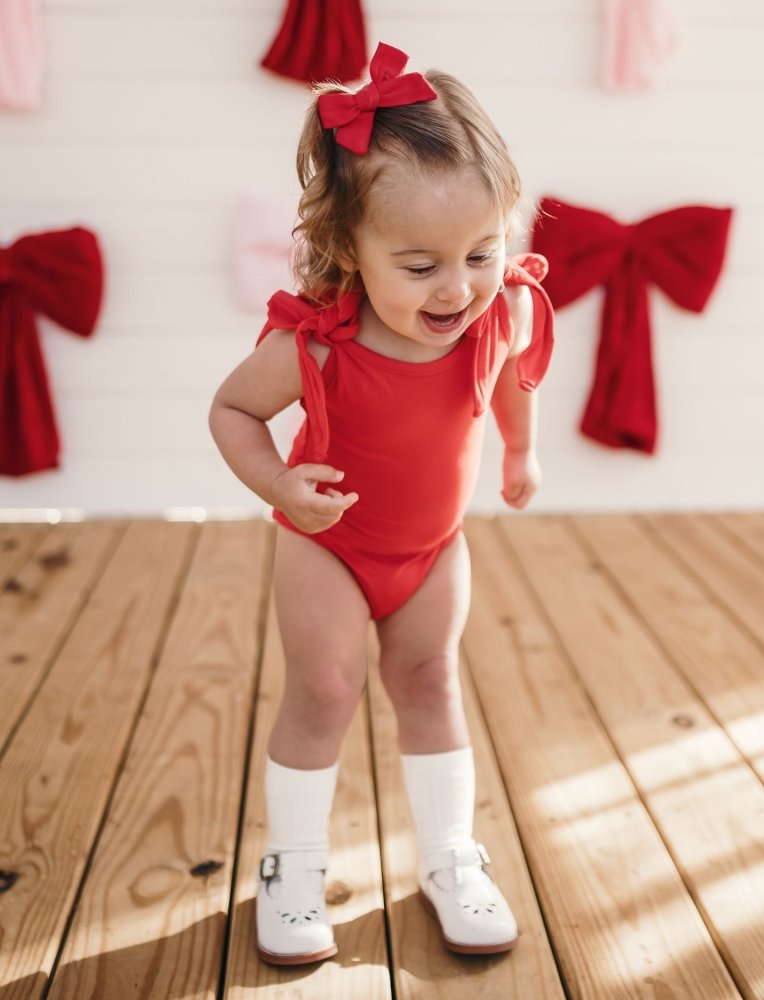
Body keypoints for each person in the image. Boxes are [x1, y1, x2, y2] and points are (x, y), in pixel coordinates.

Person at [209, 41, 554, 966]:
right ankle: (292, 866)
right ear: (349, 252)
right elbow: (233, 410)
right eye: (419, 265)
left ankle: (449, 856)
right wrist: (279, 485)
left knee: (431, 682)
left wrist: (520, 448)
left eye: (481, 252)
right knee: (324, 690)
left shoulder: (497, 313)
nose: (458, 288)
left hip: (433, 548)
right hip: (330, 545)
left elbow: (511, 378)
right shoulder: (322, 344)